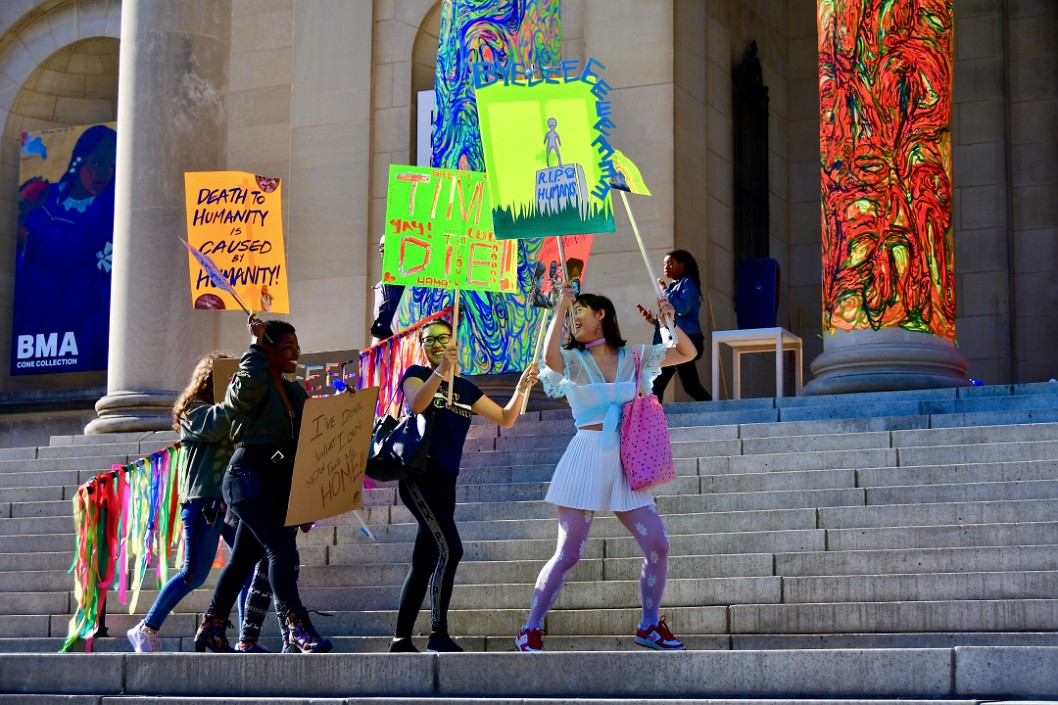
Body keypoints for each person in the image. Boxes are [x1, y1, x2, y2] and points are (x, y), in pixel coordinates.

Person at [516, 285, 698, 652]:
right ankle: (530, 627)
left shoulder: (635, 355)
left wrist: (669, 321)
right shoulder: (571, 359)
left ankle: (648, 626)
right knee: (569, 552)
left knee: (658, 545)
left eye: (578, 310)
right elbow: (550, 359)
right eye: (570, 314)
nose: (573, 318)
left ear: (601, 315)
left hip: (626, 460)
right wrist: (559, 308)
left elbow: (686, 352)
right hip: (585, 457)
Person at [388, 319, 540, 653]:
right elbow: (417, 404)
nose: (436, 344)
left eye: (443, 338)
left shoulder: (467, 389)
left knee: (424, 560)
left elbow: (506, 418)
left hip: (447, 481)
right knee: (451, 549)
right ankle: (437, 635)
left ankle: (400, 640)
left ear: (456, 343)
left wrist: (523, 387)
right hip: (419, 477)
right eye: (429, 340)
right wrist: (440, 369)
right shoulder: (416, 374)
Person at [194, 317, 332, 653]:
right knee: (281, 552)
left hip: (276, 482)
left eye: (297, 348)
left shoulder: (292, 389)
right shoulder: (249, 381)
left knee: (242, 559)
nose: (295, 353)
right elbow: (243, 394)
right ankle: (298, 627)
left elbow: (312, 435)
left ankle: (212, 628)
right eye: (288, 348)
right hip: (248, 477)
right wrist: (254, 346)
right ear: (268, 349)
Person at [126, 352, 248, 652]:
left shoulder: (228, 412)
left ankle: (246, 637)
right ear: (211, 379)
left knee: (247, 567)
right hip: (203, 502)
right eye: (228, 377)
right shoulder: (194, 411)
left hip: (228, 502)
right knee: (193, 573)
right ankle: (146, 628)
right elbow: (217, 424)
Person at [13, 124, 117, 372]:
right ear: (80, 159)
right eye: (98, 162)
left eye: (111, 165)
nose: (104, 173)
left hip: (77, 322)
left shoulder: (108, 210)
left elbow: (73, 254)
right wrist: (20, 208)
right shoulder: (46, 195)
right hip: (30, 325)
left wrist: (26, 237)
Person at [637, 250, 711, 401]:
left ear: (682, 266)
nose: (666, 267)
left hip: (684, 342)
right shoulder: (673, 286)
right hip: (672, 342)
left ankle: (715, 411)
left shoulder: (688, 283)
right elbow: (671, 319)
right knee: (658, 385)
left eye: (670, 263)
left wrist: (664, 290)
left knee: (688, 384)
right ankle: (655, 416)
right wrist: (653, 320)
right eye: (664, 264)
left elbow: (681, 308)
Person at [371, 235, 406, 343]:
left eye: (388, 246)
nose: (383, 251)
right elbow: (380, 325)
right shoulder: (380, 285)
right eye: (381, 248)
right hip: (388, 348)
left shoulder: (417, 283)